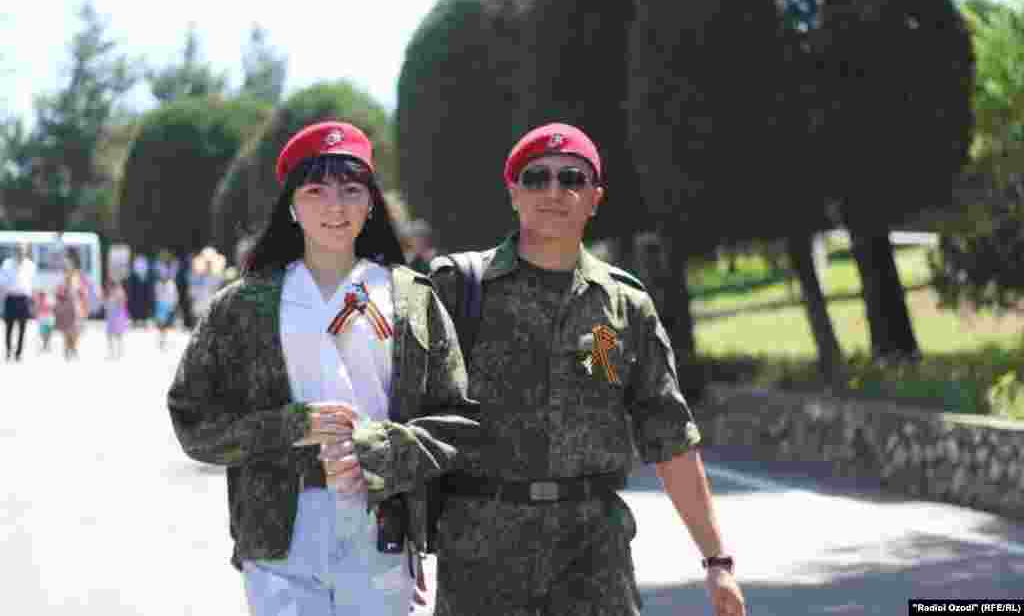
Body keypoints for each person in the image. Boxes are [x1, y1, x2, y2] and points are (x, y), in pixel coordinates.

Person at [429, 123, 747, 616]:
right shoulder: (458, 288)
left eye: (572, 178)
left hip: (594, 557)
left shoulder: (624, 306)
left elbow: (670, 436)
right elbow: (408, 414)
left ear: (595, 198)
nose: (554, 191)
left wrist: (717, 561)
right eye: (536, 177)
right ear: (513, 193)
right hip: (480, 554)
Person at [166, 120, 479, 616]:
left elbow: (457, 422)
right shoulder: (243, 305)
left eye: (351, 190)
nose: (335, 206)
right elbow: (193, 421)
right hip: (278, 542)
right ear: (291, 205)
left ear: (371, 202)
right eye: (316, 191)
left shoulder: (412, 300)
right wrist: (292, 426)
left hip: (381, 533)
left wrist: (379, 451)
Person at [1, 243, 37, 362]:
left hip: (23, 299)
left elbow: (33, 284)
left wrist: (33, 300)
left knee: (23, 328)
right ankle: (8, 351)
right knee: (9, 327)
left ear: (25, 251)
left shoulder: (30, 265)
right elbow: (2, 281)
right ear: (15, 251)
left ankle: (18, 353)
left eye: (22, 250)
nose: (20, 252)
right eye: (18, 250)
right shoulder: (7, 264)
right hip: (11, 298)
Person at [54, 251, 88, 361]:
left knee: (75, 330)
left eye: (68, 265)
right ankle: (67, 351)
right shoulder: (61, 278)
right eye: (65, 265)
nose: (66, 267)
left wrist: (83, 303)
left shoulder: (78, 277)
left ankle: (73, 348)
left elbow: (83, 292)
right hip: (65, 307)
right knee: (66, 330)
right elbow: (58, 293)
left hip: (76, 306)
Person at [104, 278, 129, 359]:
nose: (107, 287)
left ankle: (118, 352)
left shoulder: (119, 292)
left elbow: (122, 303)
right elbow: (106, 305)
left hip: (117, 316)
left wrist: (117, 302)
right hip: (112, 316)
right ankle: (113, 352)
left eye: (109, 285)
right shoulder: (110, 293)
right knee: (111, 335)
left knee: (117, 335)